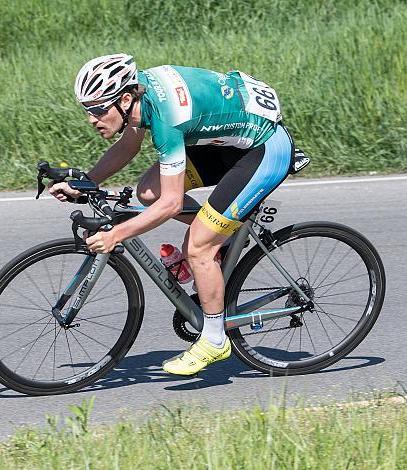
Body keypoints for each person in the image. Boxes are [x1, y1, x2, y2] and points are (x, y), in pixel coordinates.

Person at [49, 53, 294, 376]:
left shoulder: (167, 118)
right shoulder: (139, 98)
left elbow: (172, 205)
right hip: (227, 140)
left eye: (97, 110)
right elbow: (128, 149)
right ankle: (225, 232)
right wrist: (87, 183)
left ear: (123, 99)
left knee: (198, 247)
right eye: (88, 111)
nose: (92, 119)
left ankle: (215, 339)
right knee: (148, 191)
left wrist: (116, 235)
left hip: (264, 149)